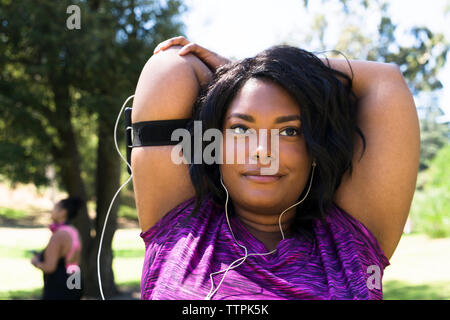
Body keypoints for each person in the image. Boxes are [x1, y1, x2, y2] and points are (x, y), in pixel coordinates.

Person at [131, 36, 420, 300]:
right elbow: (171, 64)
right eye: (242, 130)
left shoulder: (350, 241)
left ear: (314, 149)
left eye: (289, 131)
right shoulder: (180, 225)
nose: (262, 152)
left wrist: (256, 68)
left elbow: (384, 79)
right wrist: (241, 76)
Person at [31, 197, 84, 300]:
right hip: (76, 280)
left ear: (63, 212)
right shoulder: (74, 231)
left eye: (55, 208)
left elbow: (50, 267)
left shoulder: (59, 235)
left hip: (60, 284)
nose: (52, 211)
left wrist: (36, 262)